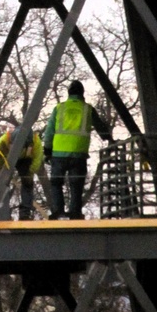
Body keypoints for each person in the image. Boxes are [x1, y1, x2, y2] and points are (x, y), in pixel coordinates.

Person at [42, 80, 93, 220]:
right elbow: (101, 127)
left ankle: (58, 212)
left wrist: (47, 150)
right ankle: (75, 213)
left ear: (68, 93)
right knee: (76, 185)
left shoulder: (59, 108)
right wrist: (109, 138)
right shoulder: (88, 109)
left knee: (56, 183)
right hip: (79, 154)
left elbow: (49, 131)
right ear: (82, 93)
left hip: (58, 153)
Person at [0, 118, 45, 220]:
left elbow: (38, 159)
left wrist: (30, 172)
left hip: (25, 160)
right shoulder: (5, 139)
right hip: (9, 159)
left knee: (27, 183)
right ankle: (0, 210)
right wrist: (1, 168)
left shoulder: (35, 141)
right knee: (3, 181)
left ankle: (25, 213)